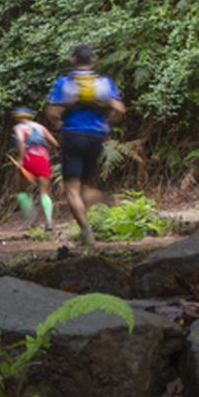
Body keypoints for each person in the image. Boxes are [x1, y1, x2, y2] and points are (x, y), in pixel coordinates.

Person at [45, 43, 124, 246]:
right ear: (93, 60)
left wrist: (58, 122)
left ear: (73, 60)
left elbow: (53, 112)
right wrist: (107, 123)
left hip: (73, 136)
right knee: (86, 186)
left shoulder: (65, 82)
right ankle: (101, 198)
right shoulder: (104, 83)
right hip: (96, 138)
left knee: (72, 188)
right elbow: (120, 109)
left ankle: (86, 230)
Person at [10, 107, 57, 231]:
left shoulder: (19, 127)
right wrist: (48, 152)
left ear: (18, 117)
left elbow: (20, 140)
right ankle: (49, 221)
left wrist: (21, 158)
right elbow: (54, 142)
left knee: (22, 191)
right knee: (44, 192)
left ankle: (30, 218)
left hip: (28, 158)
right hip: (43, 157)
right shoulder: (41, 127)